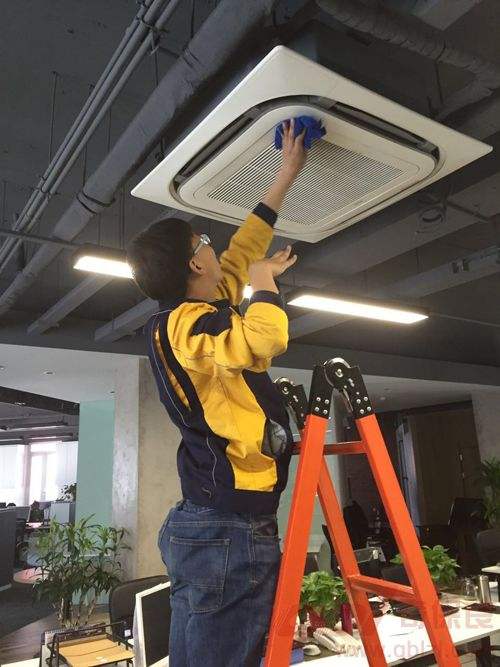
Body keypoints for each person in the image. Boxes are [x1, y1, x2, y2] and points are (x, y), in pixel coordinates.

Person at [127, 120, 307, 667]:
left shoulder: (202, 306)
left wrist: (286, 175)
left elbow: (243, 247)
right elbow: (264, 338)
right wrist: (264, 282)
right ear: (193, 263)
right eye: (204, 241)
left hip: (215, 521)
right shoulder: (185, 325)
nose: (213, 245)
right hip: (228, 522)